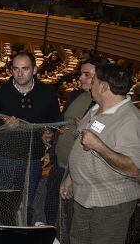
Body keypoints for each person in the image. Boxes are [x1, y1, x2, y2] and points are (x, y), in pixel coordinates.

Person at [61, 63, 140, 244]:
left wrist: (99, 146)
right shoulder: (96, 108)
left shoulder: (131, 120)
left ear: (104, 87)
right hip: (85, 195)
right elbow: (82, 146)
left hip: (110, 202)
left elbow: (134, 168)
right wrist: (71, 178)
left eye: (94, 81)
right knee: (77, 240)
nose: (90, 84)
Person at [0, 51, 60, 224]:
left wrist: (49, 132)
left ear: (34, 70)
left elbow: (55, 122)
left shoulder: (47, 93)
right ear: (11, 70)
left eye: (25, 69)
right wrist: (4, 126)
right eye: (16, 69)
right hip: (2, 157)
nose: (19, 73)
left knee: (26, 204)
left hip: (32, 158)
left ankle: (22, 233)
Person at [43, 56, 107, 226]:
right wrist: (51, 133)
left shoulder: (103, 103)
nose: (80, 78)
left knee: (71, 219)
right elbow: (61, 120)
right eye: (81, 74)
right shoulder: (76, 94)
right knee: (50, 208)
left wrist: (85, 129)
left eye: (87, 75)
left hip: (77, 172)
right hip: (59, 164)